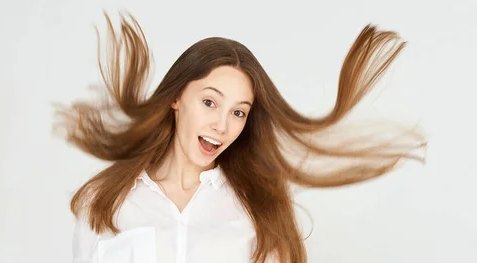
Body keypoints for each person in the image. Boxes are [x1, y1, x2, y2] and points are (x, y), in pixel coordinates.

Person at [54, 11, 427, 263]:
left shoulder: (258, 208)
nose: (222, 125)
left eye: (238, 112)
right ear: (175, 98)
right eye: (209, 102)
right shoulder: (103, 201)